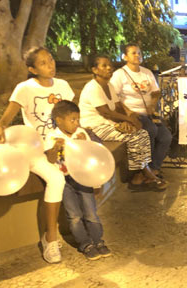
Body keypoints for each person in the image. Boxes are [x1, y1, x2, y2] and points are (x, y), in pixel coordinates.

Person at [0, 47, 73, 263]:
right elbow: (7, 117)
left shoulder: (63, 86)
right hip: (37, 148)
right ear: (32, 68)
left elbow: (73, 116)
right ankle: (50, 239)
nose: (51, 65)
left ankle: (86, 231)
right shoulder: (24, 88)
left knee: (82, 177)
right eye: (43, 63)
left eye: (51, 59)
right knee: (56, 178)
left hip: (63, 144)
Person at [79, 55, 167, 191]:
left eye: (110, 65)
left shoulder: (108, 85)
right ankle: (144, 173)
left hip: (107, 124)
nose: (109, 68)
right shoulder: (93, 87)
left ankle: (139, 175)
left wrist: (126, 121)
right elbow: (106, 112)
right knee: (136, 136)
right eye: (104, 66)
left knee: (142, 133)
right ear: (95, 70)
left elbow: (117, 107)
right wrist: (128, 120)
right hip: (94, 127)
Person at [44, 100, 111, 260]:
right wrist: (55, 148)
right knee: (74, 215)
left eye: (77, 120)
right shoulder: (52, 136)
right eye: (72, 120)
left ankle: (98, 241)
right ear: (59, 120)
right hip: (65, 181)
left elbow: (91, 157)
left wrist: (84, 144)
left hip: (83, 178)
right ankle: (85, 244)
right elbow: (50, 160)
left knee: (91, 212)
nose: (76, 123)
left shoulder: (81, 133)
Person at [110, 44, 172, 179]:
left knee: (166, 137)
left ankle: (154, 169)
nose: (137, 55)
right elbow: (114, 98)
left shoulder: (147, 72)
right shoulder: (120, 74)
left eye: (139, 53)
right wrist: (128, 113)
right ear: (125, 57)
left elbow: (155, 92)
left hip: (149, 114)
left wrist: (152, 106)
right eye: (133, 53)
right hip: (134, 114)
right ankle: (144, 169)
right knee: (151, 130)